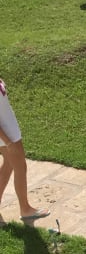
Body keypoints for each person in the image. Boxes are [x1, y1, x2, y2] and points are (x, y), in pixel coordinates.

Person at [0, 77, 49, 228]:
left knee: (9, 165)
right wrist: (8, 142)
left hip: (8, 129)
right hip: (6, 134)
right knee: (20, 167)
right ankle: (25, 209)